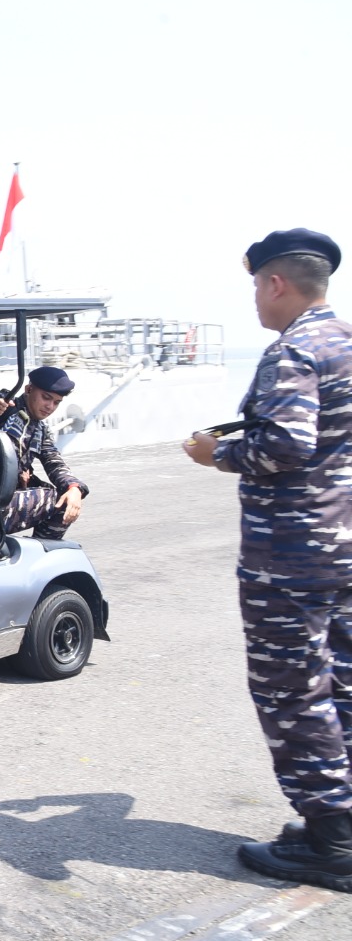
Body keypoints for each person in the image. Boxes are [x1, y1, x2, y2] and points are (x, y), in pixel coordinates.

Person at [182, 228, 352, 892]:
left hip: (294, 556)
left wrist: (213, 453)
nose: (255, 299)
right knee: (341, 681)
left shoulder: (295, 350)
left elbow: (284, 444)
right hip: (344, 547)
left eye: (257, 285)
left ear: (277, 283)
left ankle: (331, 840)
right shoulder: (345, 342)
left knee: (293, 691)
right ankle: (338, 820)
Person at [0, 366, 87, 539]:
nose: (50, 407)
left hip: (0, 500)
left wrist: (75, 488)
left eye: (56, 402)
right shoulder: (3, 405)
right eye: (46, 398)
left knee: (67, 497)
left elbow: (54, 462)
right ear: (28, 389)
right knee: (58, 501)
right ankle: (41, 557)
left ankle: (40, 551)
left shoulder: (39, 429)